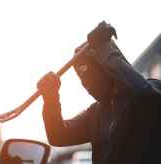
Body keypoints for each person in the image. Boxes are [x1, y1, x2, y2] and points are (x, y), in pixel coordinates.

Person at [37, 32, 161, 163]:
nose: (88, 87)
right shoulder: (95, 114)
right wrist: (51, 99)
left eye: (92, 78)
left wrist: (104, 47)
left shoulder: (150, 88)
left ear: (107, 68)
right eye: (84, 81)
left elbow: (145, 96)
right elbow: (58, 136)